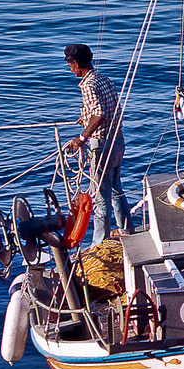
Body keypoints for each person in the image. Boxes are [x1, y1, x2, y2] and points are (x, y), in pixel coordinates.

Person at [62, 43, 131, 245]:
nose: (69, 69)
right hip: (118, 140)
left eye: (69, 65)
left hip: (101, 145)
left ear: (75, 63)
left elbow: (99, 114)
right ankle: (126, 229)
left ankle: (99, 243)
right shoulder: (104, 80)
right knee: (116, 187)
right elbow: (109, 110)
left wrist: (82, 138)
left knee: (101, 196)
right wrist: (85, 117)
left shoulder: (88, 85)